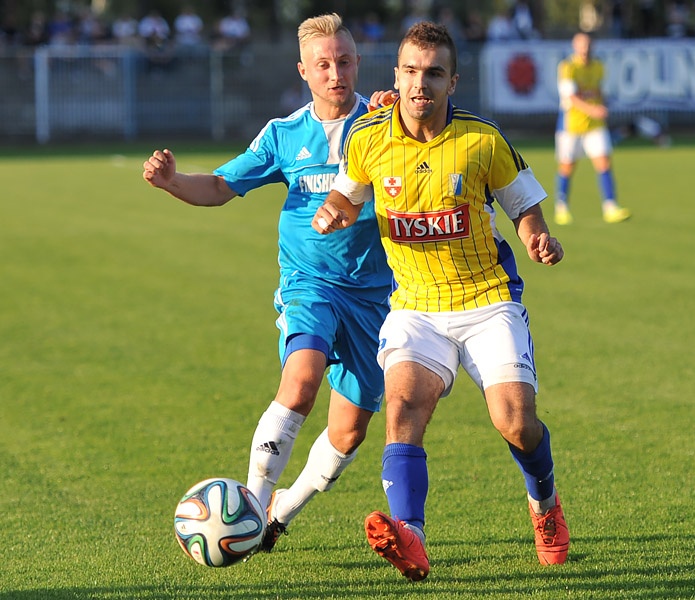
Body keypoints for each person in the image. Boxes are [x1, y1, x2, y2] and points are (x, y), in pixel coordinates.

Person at [313, 21, 569, 582]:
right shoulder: (368, 137)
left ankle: (545, 505)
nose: (419, 83)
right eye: (409, 71)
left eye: (433, 73)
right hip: (415, 306)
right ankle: (411, 537)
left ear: (454, 80)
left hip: (487, 299)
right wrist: (335, 209)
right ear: (397, 76)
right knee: (402, 412)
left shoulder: (482, 139)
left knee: (517, 423)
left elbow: (523, 204)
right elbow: (347, 191)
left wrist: (536, 237)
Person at [142, 13, 393, 552]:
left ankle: (280, 511)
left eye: (344, 61)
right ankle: (251, 508)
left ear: (357, 64)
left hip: (377, 296)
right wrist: (170, 183)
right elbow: (217, 185)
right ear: (304, 70)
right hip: (311, 285)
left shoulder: (383, 127)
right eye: (323, 64)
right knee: (301, 380)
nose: (335, 73)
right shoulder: (284, 135)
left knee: (349, 432)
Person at [553, 31, 630, 226]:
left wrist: (602, 104)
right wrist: (593, 109)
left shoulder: (598, 67)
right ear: (574, 47)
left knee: (604, 163)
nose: (585, 49)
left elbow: (598, 91)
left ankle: (610, 207)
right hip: (571, 125)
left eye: (587, 45)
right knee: (567, 167)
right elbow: (571, 97)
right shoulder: (568, 67)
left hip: (595, 126)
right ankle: (561, 207)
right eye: (581, 46)